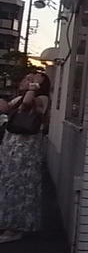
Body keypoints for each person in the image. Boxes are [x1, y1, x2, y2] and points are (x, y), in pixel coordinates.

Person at [0, 71, 51, 243]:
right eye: (28, 78)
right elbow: (5, 108)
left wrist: (33, 86)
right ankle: (7, 223)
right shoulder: (19, 97)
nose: (28, 80)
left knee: (19, 186)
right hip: (12, 147)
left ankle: (15, 228)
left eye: (35, 78)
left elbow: (29, 103)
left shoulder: (42, 98)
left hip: (25, 151)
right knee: (8, 185)